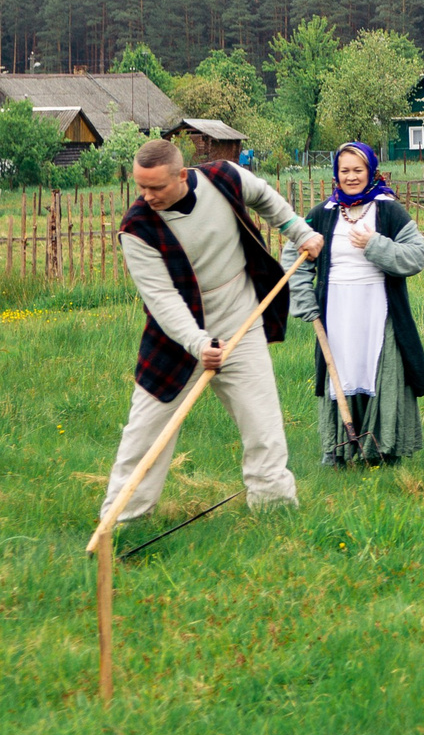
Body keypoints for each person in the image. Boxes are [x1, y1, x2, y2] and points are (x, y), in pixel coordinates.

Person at [101, 137, 321, 525]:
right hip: (177, 342)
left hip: (241, 322)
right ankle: (121, 523)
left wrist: (298, 231)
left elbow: (266, 198)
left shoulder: (224, 177)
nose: (146, 195)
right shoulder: (136, 228)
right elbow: (163, 300)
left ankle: (276, 512)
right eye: (140, 186)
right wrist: (200, 344)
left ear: (182, 175)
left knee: (264, 428)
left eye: (156, 186)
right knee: (144, 438)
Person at [285, 141, 424, 467]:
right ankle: (337, 449)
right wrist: (306, 302)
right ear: (336, 174)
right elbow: (293, 257)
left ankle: (383, 447)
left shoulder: (388, 210)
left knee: (379, 372)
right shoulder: (322, 214)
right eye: (345, 171)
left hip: (379, 307)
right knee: (341, 373)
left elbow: (416, 256)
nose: (351, 177)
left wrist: (374, 244)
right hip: (335, 309)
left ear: (371, 171)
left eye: (358, 170)